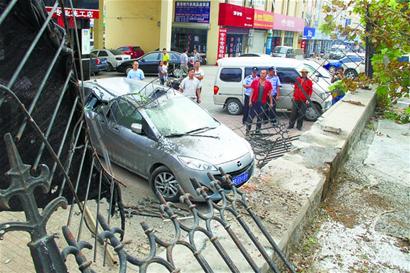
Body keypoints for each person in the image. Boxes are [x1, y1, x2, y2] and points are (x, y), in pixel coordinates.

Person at [246, 69, 273, 135]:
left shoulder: (268, 83)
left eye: (264, 73)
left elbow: (269, 94)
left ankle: (257, 131)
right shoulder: (255, 81)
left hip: (262, 103)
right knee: (250, 117)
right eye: (261, 73)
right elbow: (251, 92)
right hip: (254, 102)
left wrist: (271, 102)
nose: (262, 74)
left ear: (266, 75)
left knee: (259, 118)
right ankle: (247, 131)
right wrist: (250, 101)